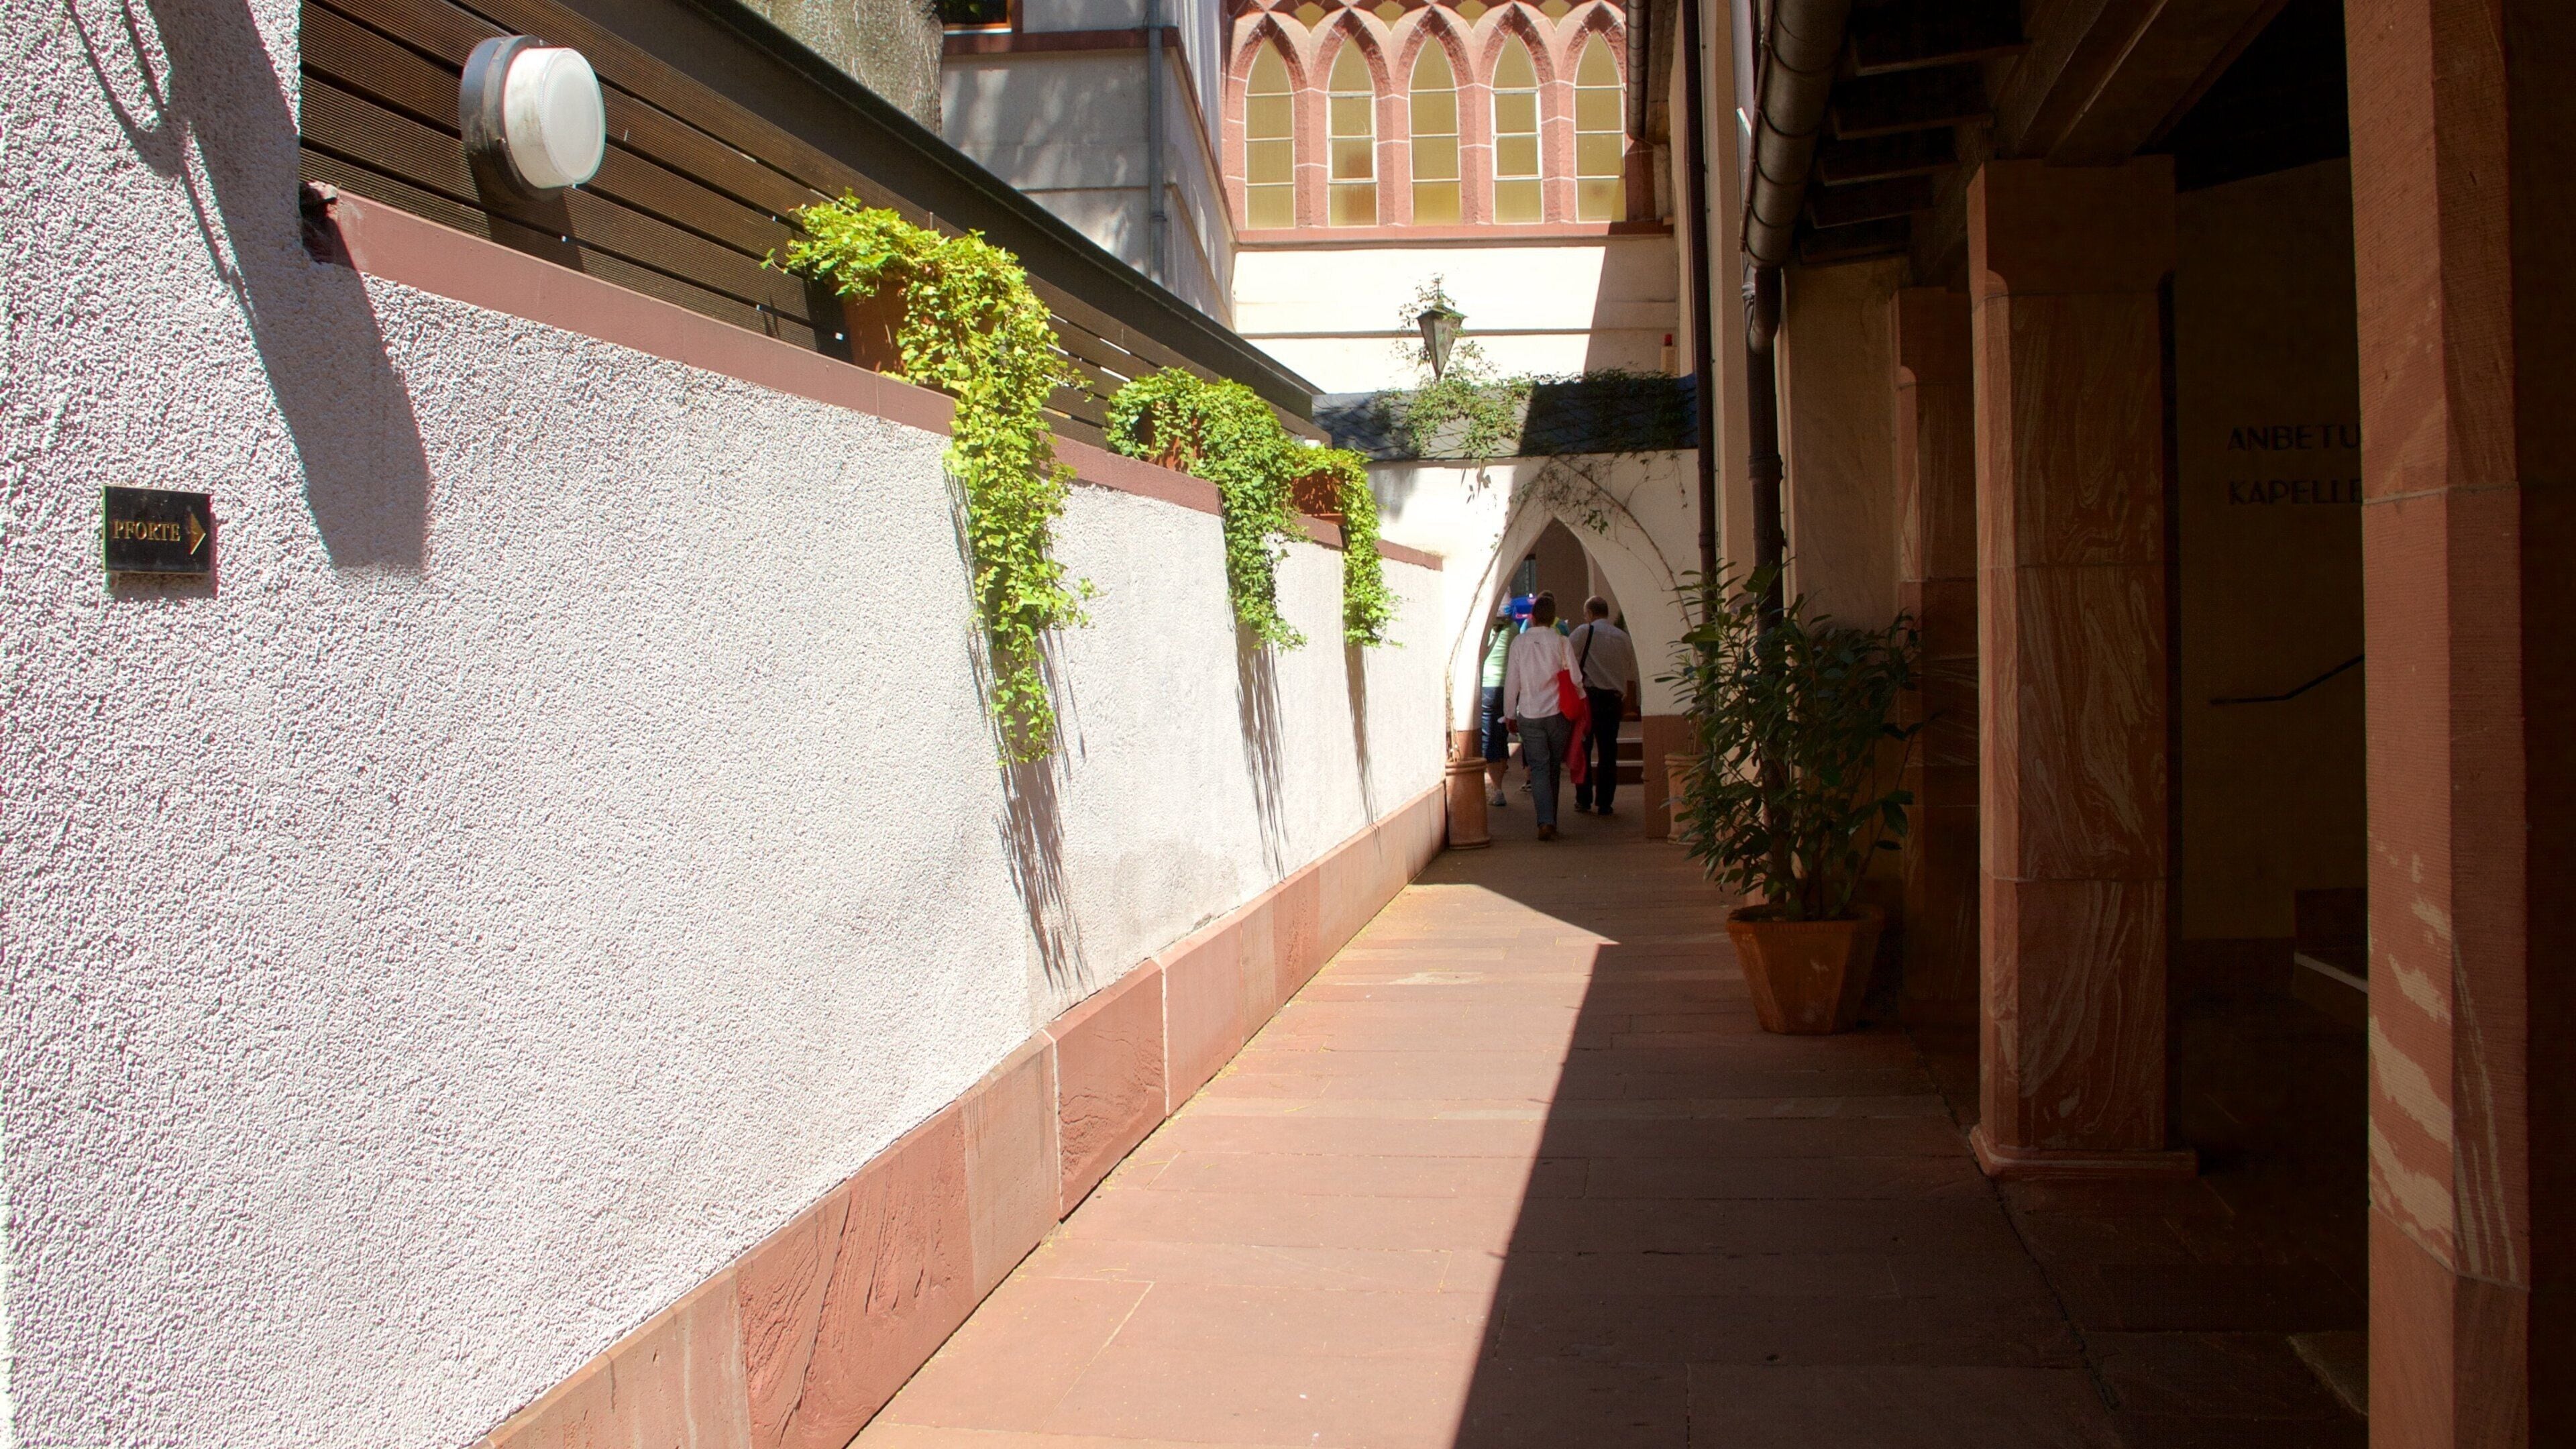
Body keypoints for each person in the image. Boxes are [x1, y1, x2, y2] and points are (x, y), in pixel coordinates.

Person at [1503, 592, 1580, 840]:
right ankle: (1551, 819)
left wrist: (1508, 714)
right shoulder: (1562, 642)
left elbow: (1512, 682)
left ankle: (1545, 820)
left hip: (1529, 711)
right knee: (1552, 767)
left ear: (1533, 617)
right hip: (1558, 713)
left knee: (1538, 767)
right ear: (1553, 618)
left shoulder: (1519, 643)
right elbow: (1577, 679)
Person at [1566, 596, 1638, 816]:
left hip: (1590, 698)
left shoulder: (1582, 632)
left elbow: (1566, 657)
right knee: (1609, 751)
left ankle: (1584, 799)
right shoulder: (1623, 637)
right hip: (1614, 699)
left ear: (1589, 613)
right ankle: (1605, 802)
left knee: (1584, 749)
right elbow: (1629, 668)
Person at [1478, 611, 1515, 807]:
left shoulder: (1486, 629)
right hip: (1506, 686)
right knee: (1500, 737)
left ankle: (1494, 789)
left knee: (1488, 738)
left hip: (1487, 686)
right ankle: (1499, 788)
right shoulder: (1514, 628)